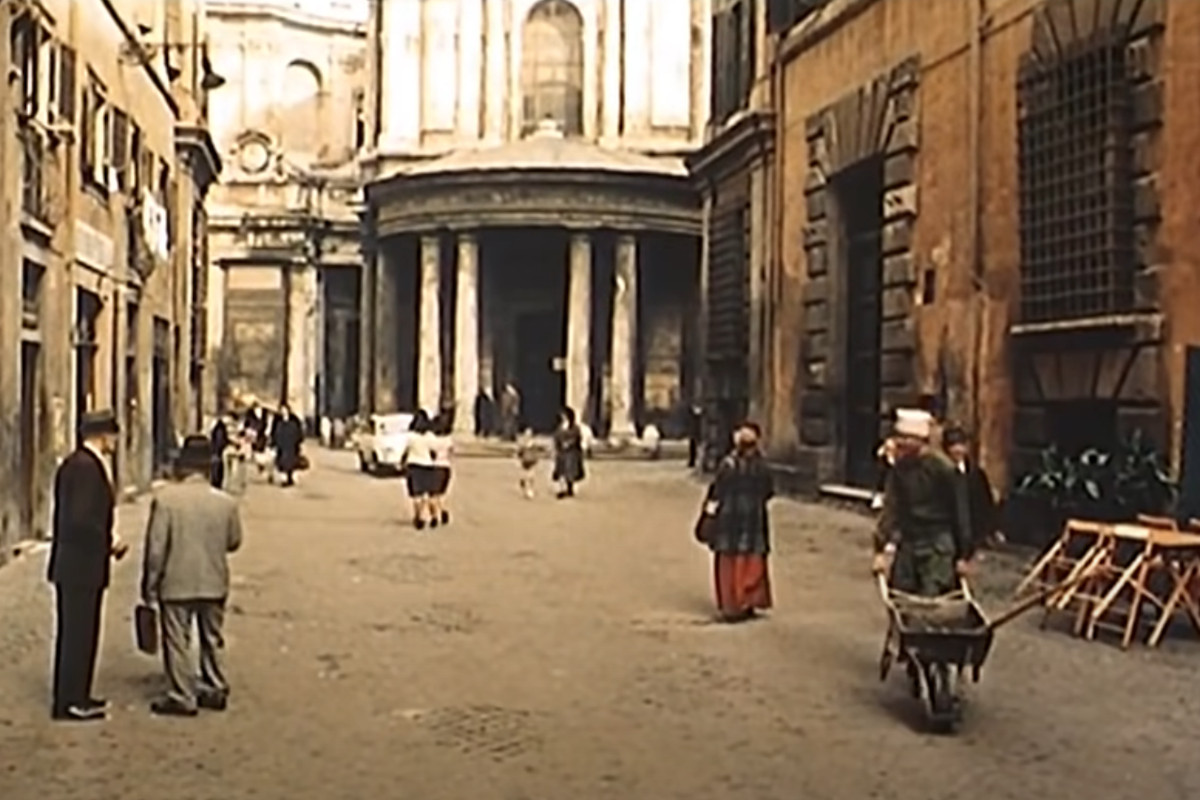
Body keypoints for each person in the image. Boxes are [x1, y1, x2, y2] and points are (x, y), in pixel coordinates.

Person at [141, 435, 244, 717]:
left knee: (177, 640)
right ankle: (215, 685)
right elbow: (234, 542)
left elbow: (155, 550)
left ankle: (182, 694)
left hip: (176, 580)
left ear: (182, 467)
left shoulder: (166, 500)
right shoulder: (226, 503)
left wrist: (150, 585)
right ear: (210, 468)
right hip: (214, 579)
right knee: (213, 637)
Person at [48, 409, 129, 722]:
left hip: (77, 566)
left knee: (80, 631)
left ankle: (77, 693)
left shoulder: (78, 464)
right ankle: (70, 700)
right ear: (103, 435)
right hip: (80, 565)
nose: (115, 442)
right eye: (113, 435)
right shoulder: (85, 467)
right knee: (78, 634)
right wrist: (109, 541)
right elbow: (80, 519)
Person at [871, 409, 974, 597]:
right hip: (909, 542)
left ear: (918, 441)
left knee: (932, 599)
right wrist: (880, 548)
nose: (898, 444)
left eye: (904, 439)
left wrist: (964, 555)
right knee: (901, 596)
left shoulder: (944, 470)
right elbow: (891, 509)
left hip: (937, 543)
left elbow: (960, 513)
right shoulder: (900, 468)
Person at [699, 421, 775, 622]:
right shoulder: (762, 466)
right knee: (752, 561)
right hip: (754, 519)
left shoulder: (728, 465)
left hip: (729, 519)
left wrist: (709, 514)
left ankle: (732, 605)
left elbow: (716, 492)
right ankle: (748, 601)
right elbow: (769, 491)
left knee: (729, 562)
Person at [942, 425, 1003, 550]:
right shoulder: (939, 473)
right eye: (953, 445)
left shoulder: (975, 474)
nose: (957, 449)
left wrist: (989, 530)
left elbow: (985, 504)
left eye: (960, 444)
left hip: (972, 535)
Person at [402, 410, 437, 529]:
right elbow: (434, 451)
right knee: (424, 493)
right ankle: (424, 514)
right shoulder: (430, 436)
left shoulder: (410, 437)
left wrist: (402, 462)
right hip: (427, 465)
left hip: (413, 465)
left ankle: (418, 516)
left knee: (415, 494)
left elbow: (406, 450)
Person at [552, 406, 585, 499]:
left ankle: (569, 488)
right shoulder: (560, 427)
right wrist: (557, 446)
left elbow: (577, 437)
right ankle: (562, 489)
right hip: (562, 453)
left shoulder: (575, 428)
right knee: (561, 472)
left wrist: (569, 443)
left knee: (569, 472)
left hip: (571, 453)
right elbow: (556, 437)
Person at [270, 403, 304, 487]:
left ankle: (289, 478)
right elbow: (273, 432)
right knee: (282, 463)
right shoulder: (277, 420)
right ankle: (284, 479)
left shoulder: (294, 420)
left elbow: (299, 432)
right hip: (281, 445)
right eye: (281, 410)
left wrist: (299, 442)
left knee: (290, 463)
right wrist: (273, 443)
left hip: (291, 445)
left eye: (284, 410)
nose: (283, 411)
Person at [429, 411, 454, 526]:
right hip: (446, 467)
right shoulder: (448, 440)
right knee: (440, 494)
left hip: (435, 467)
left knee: (432, 495)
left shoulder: (432, 440)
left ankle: (435, 516)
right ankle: (442, 511)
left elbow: (430, 454)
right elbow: (451, 453)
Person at [516, 428, 539, 499]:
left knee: (531, 477)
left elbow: (536, 452)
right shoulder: (522, 444)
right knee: (524, 477)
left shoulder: (534, 443)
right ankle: (524, 487)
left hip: (532, 461)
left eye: (529, 434)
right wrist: (519, 459)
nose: (528, 436)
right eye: (526, 434)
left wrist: (536, 459)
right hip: (524, 461)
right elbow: (519, 452)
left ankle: (530, 491)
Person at [209, 416, 230, 489]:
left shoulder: (217, 428)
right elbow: (220, 440)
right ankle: (216, 482)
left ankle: (215, 481)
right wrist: (225, 444)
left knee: (215, 466)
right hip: (218, 451)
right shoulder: (220, 428)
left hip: (215, 450)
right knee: (218, 466)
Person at [687, 404, 703, 468]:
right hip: (695, 429)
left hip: (700, 428)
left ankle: (697, 460)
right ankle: (693, 460)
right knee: (693, 443)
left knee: (699, 444)